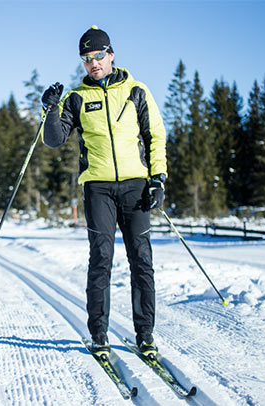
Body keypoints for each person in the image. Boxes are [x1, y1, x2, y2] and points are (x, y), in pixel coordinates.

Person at [40, 26, 167, 359]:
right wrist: (51, 109)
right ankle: (99, 334)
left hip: (136, 185)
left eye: (98, 56)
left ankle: (145, 334)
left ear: (111, 55)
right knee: (101, 259)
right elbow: (55, 139)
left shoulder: (137, 91)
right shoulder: (77, 98)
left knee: (142, 259)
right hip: (98, 187)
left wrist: (159, 178)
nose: (93, 63)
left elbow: (156, 136)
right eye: (86, 58)